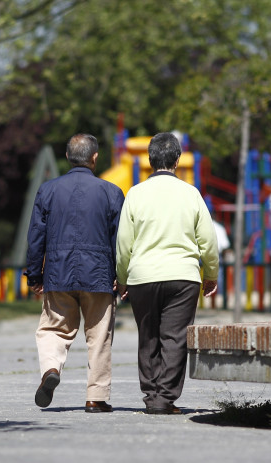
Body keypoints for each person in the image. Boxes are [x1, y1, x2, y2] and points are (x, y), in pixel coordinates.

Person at [115, 132, 219, 415]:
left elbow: (124, 243)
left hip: (142, 276)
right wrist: (210, 274)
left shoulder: (135, 194)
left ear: (149, 161)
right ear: (177, 159)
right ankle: (165, 399)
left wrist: (122, 278)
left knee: (147, 336)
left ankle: (151, 395)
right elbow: (208, 241)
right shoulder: (191, 193)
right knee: (174, 338)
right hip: (183, 277)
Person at [25, 133, 125, 413]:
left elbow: (36, 236)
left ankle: (50, 369)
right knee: (99, 336)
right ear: (95, 158)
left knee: (53, 329)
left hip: (58, 272)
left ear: (68, 157)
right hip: (99, 275)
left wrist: (34, 275)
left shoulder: (48, 190)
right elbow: (121, 239)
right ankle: (96, 397)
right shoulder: (111, 192)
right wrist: (121, 275)